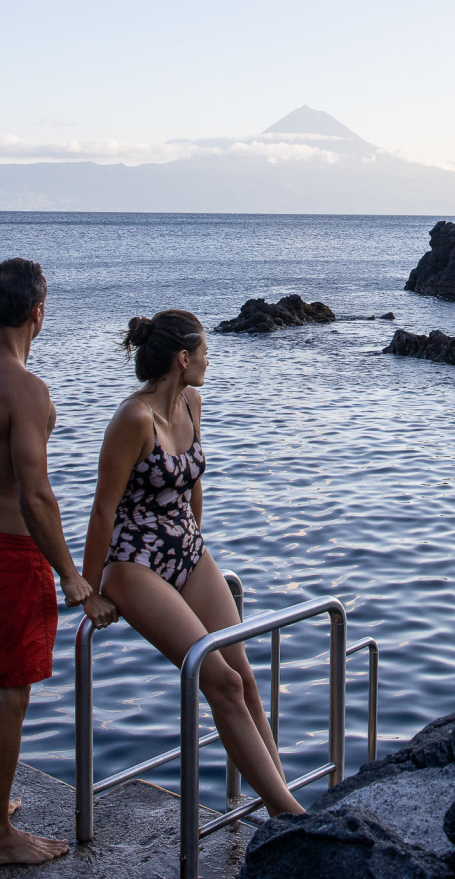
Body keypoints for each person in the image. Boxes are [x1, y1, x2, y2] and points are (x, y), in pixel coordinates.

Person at [79, 311, 305, 818]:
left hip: (187, 549)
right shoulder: (134, 419)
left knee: (243, 675)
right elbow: (102, 510)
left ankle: (279, 806)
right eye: (204, 351)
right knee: (218, 679)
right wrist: (90, 590)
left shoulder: (192, 401)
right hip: (134, 563)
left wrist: (196, 543)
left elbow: (191, 482)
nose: (209, 359)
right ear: (184, 358)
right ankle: (293, 816)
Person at [0, 258, 116, 866]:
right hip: (8, 553)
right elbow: (37, 493)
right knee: (11, 693)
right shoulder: (26, 390)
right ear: (39, 312)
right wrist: (71, 573)